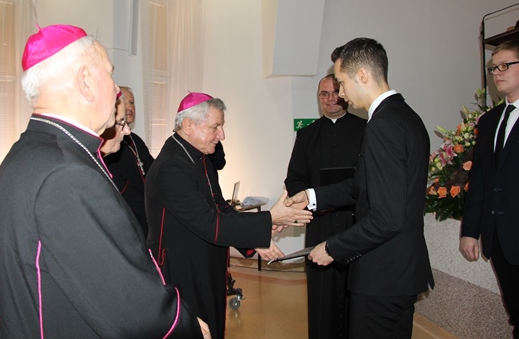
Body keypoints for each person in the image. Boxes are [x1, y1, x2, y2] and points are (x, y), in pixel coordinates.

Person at [0, 24, 209, 338]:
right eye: (110, 74)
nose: (117, 90)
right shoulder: (67, 174)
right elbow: (126, 304)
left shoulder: (28, 152)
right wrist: (186, 326)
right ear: (85, 82)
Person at [286, 37, 434, 339]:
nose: (340, 93)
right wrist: (311, 195)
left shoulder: (382, 125)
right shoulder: (405, 116)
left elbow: (387, 218)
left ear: (362, 76)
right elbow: (362, 186)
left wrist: (332, 247)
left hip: (383, 272)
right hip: (400, 269)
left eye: (341, 82)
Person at [145, 92, 313, 339]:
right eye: (215, 127)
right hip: (182, 271)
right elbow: (209, 223)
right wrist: (269, 219)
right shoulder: (172, 166)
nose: (222, 135)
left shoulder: (199, 157)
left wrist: (254, 240)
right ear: (188, 126)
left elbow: (220, 207)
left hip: (204, 264)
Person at [284, 71, 366, 339]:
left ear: (345, 94)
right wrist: (312, 201)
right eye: (324, 94)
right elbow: (294, 178)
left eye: (335, 93)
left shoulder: (366, 129)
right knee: (322, 294)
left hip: (357, 223)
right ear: (318, 97)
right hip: (321, 223)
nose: (330, 99)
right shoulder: (306, 135)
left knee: (357, 292)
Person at [460, 39, 519, 338]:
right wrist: (470, 231)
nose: (497, 73)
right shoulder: (490, 120)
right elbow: (481, 179)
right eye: (494, 68)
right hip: (500, 238)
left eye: (505, 65)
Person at [105, 86, 155, 236]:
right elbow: (119, 185)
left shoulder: (135, 140)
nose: (129, 107)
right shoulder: (109, 143)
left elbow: (153, 170)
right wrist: (149, 209)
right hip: (129, 215)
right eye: (124, 102)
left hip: (148, 211)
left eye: (132, 102)